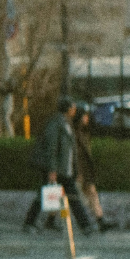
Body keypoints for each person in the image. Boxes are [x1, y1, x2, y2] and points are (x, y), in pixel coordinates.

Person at [21, 99, 96, 234]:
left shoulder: (67, 124)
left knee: (73, 198)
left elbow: (71, 151)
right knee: (44, 197)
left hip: (65, 170)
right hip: (57, 169)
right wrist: (52, 170)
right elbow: (52, 148)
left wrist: (75, 170)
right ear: (68, 109)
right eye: (72, 107)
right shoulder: (56, 124)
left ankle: (85, 226)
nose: (74, 110)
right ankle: (29, 223)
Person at [71, 109, 116, 230]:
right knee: (73, 197)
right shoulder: (74, 133)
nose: (87, 119)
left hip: (86, 169)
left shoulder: (85, 132)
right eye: (84, 116)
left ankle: (100, 220)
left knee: (92, 193)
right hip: (80, 169)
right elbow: (76, 155)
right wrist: (77, 172)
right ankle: (52, 219)